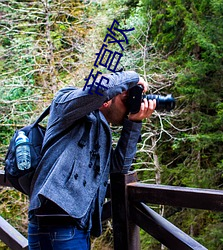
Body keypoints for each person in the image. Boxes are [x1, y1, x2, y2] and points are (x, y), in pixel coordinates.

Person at [28, 71, 156, 250]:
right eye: (125, 99)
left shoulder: (101, 130)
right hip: (58, 224)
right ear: (110, 95)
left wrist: (134, 123)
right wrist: (134, 79)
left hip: (73, 227)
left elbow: (118, 167)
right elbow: (99, 90)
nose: (129, 107)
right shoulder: (65, 101)